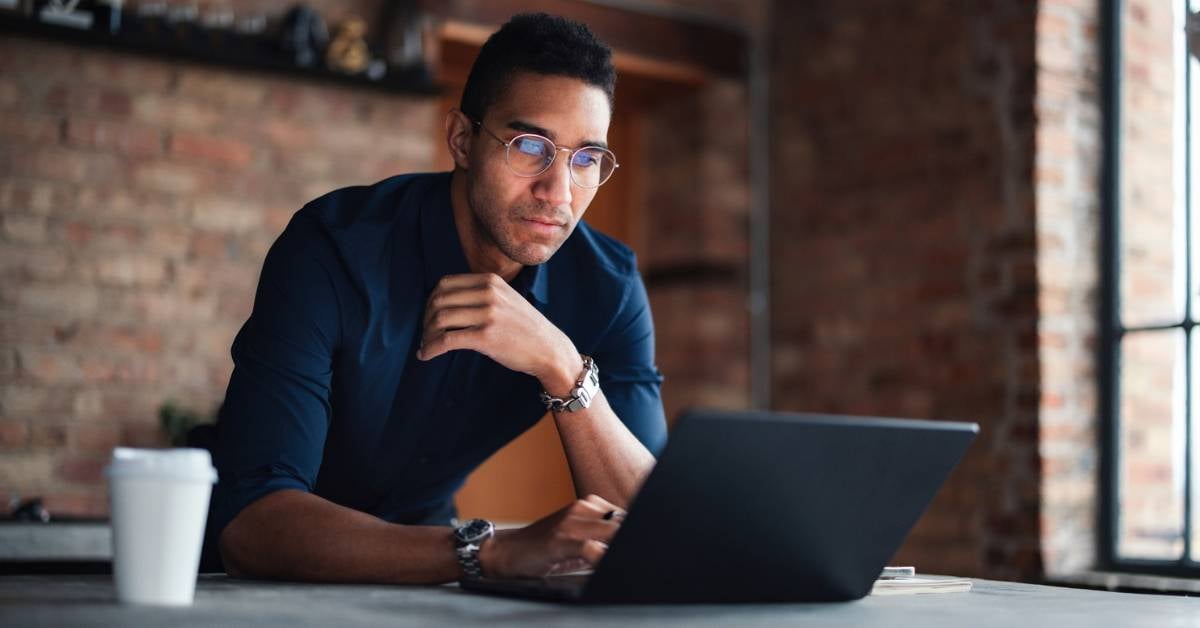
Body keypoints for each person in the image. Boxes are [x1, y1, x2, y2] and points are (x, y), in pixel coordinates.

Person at [203, 12, 668, 584]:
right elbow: (251, 522)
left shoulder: (608, 286)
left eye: (585, 159)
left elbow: (655, 526)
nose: (558, 192)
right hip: (260, 580)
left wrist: (564, 367)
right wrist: (491, 551)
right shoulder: (334, 248)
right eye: (529, 146)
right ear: (462, 139)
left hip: (429, 571)